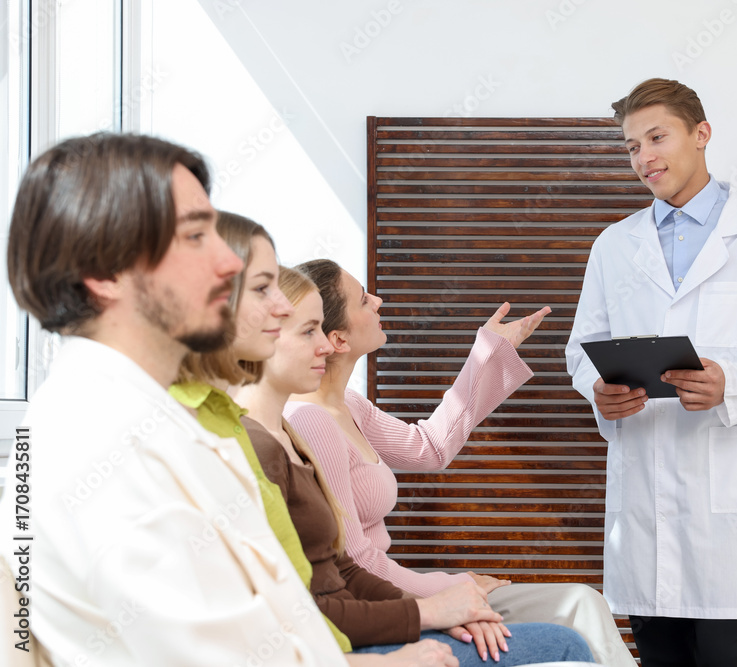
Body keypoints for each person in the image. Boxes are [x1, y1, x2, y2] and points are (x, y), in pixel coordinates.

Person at [0, 133, 346, 665]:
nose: (228, 265)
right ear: (107, 273)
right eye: (194, 237)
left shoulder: (142, 415)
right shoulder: (101, 442)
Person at [564, 79, 737, 667]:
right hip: (645, 489)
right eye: (632, 147)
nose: (644, 158)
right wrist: (599, 391)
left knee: (725, 657)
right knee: (659, 657)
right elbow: (581, 350)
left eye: (656, 137)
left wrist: (730, 383)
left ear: (702, 134)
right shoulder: (614, 245)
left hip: (729, 497)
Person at [284, 259, 636, 667]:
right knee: (578, 611)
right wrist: (448, 589)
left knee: (583, 603)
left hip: (414, 591)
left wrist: (489, 351)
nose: (378, 300)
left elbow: (430, 446)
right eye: (363, 299)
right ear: (338, 339)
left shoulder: (350, 407)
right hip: (395, 603)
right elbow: (357, 562)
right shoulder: (311, 422)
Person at [167, 213, 457, 667]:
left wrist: (427, 612)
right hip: (342, 643)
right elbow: (282, 615)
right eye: (264, 290)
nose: (279, 307)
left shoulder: (279, 429)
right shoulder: (233, 437)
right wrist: (420, 618)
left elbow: (334, 569)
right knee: (564, 644)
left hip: (347, 635)